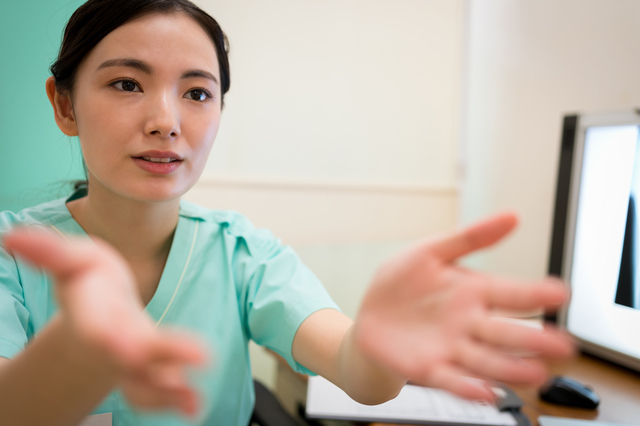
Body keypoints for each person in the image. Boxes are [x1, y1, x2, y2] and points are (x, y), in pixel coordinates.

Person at [0, 0, 574, 425]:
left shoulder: (243, 253)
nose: (165, 121)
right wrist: (73, 360)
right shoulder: (12, 253)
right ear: (64, 103)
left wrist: (376, 349)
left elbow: (354, 369)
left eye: (197, 93)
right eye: (127, 83)